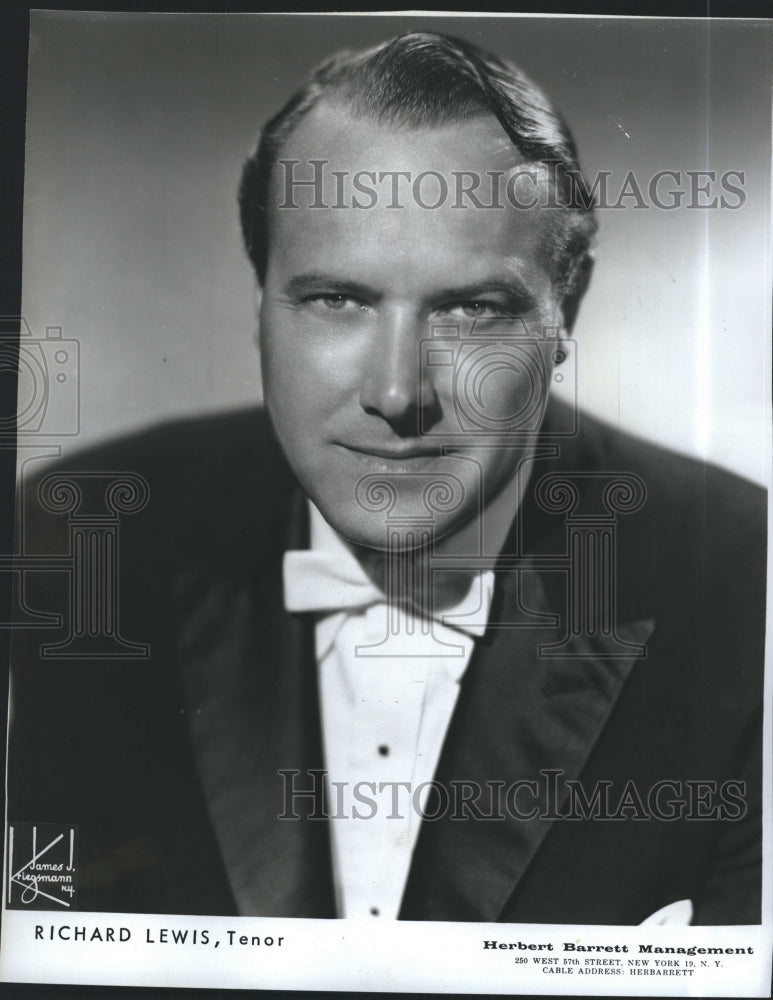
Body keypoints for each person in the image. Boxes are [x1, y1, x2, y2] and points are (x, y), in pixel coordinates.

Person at [8, 31, 765, 924]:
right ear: (260, 303)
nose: (396, 392)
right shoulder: (88, 539)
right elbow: (45, 924)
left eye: (471, 309)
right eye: (338, 300)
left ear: (568, 310)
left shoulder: (741, 577)